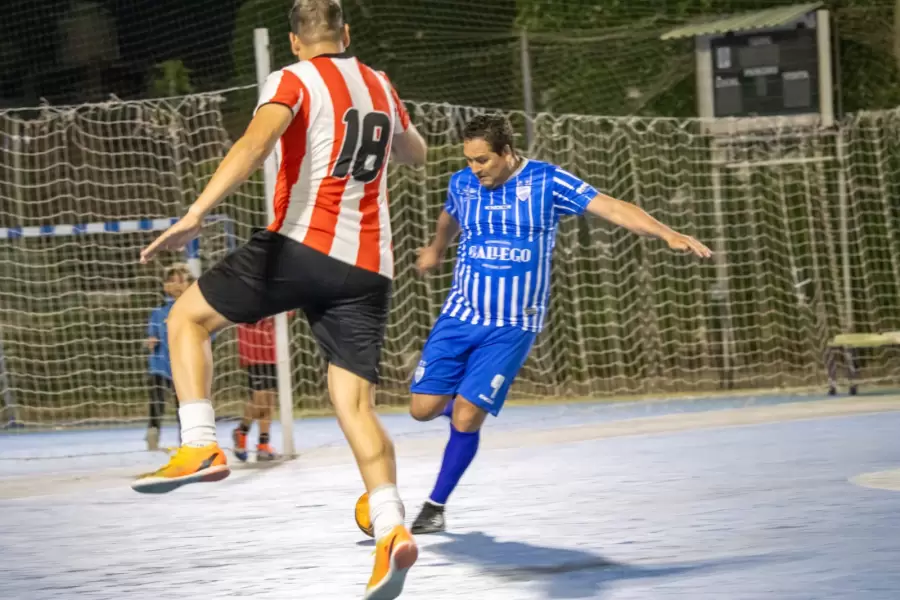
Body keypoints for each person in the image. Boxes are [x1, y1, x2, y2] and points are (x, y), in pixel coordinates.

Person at [133, 1, 428, 597]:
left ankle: (199, 445)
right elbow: (414, 153)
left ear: (296, 43)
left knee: (186, 318)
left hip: (301, 246)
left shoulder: (292, 79)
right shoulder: (380, 83)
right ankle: (392, 528)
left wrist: (196, 212)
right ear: (346, 35)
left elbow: (253, 145)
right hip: (371, 269)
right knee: (354, 405)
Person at [407, 113, 712, 534]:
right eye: (470, 160)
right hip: (460, 315)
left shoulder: (547, 182)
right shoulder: (462, 182)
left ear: (507, 153)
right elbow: (450, 214)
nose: (475, 169)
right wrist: (437, 249)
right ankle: (465, 403)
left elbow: (611, 206)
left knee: (465, 418)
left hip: (512, 326)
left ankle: (434, 506)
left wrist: (665, 233)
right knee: (422, 410)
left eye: (483, 161)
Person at [144, 263, 193, 451]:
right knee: (156, 397)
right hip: (160, 363)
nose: (177, 285)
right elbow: (152, 333)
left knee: (184, 404)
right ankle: (153, 430)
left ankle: (187, 439)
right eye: (172, 281)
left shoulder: (194, 310)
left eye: (181, 280)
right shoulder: (159, 312)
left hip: (184, 365)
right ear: (165, 286)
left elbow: (208, 333)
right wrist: (151, 341)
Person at [233, 314, 283, 462]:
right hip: (254, 350)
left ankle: (263, 445)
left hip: (272, 350)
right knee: (260, 401)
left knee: (269, 400)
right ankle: (241, 431)